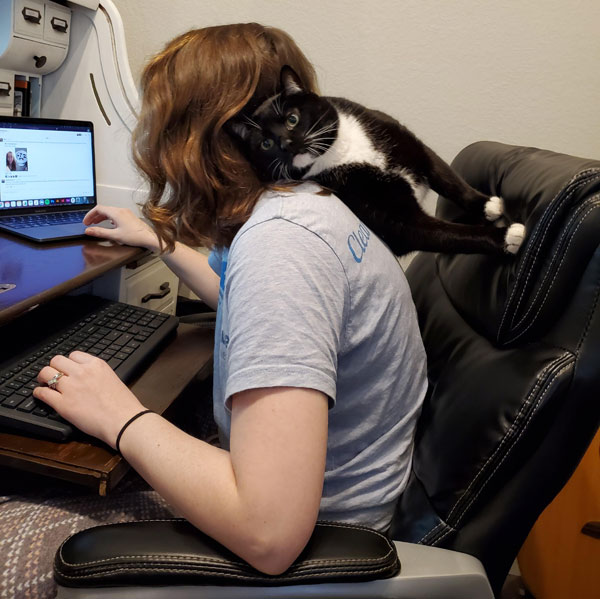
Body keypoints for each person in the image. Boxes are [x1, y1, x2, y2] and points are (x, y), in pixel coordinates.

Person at [33, 23, 427, 575]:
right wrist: (160, 242)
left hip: (317, 540)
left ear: (198, 138)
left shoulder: (284, 248)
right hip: (334, 492)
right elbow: (262, 314)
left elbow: (269, 535)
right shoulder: (313, 203)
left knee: (19, 520)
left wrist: (118, 415)